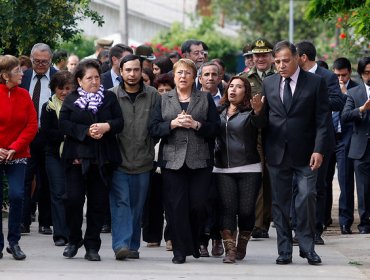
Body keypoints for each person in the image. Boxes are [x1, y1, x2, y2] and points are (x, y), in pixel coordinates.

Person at [262, 41, 329, 265]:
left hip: (306, 153)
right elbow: (264, 121)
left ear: (297, 58)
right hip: (277, 153)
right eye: (277, 61)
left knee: (307, 197)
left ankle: (307, 246)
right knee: (280, 204)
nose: (280, 65)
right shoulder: (269, 83)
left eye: (285, 60)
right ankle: (284, 250)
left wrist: (319, 149)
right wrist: (255, 112)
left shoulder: (316, 83)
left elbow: (323, 120)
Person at [149, 58, 220, 264]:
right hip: (172, 160)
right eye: (179, 73)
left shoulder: (205, 98)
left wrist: (197, 124)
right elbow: (153, 128)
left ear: (194, 77)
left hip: (200, 160)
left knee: (198, 205)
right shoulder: (164, 99)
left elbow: (215, 129)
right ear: (174, 75)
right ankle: (180, 250)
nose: (183, 77)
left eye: (187, 73)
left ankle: (196, 239)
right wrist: (172, 124)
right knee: (176, 206)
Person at [59, 59, 123, 261]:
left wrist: (106, 127)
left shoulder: (109, 98)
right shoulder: (71, 99)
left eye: (97, 77)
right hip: (76, 158)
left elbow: (120, 122)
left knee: (98, 204)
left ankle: (92, 246)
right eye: (89, 78)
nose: (94, 81)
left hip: (102, 158)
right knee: (73, 200)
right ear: (79, 80)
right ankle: (73, 239)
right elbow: (64, 124)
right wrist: (85, 131)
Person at [109, 54, 159, 261]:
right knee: (121, 203)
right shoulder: (110, 95)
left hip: (143, 160)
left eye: (136, 70)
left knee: (137, 207)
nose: (132, 74)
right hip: (118, 161)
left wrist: (150, 148)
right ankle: (121, 245)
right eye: (127, 70)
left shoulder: (153, 95)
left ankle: (132, 245)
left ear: (142, 71)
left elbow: (157, 126)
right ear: (121, 72)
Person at [296, 40, 346, 245]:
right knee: (296, 186)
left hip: (321, 139)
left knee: (318, 186)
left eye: (293, 56)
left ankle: (316, 230)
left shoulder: (327, 77)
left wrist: (313, 98)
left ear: (303, 57)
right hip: (297, 139)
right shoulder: (293, 76)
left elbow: (338, 102)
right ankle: (297, 229)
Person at [214, 76, 265, 263]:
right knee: (227, 209)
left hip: (249, 168)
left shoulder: (251, 112)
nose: (233, 90)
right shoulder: (218, 112)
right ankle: (230, 250)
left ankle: (242, 243)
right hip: (222, 169)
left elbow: (261, 124)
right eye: (231, 86)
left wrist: (259, 111)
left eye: (239, 87)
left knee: (245, 211)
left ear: (246, 92)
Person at [0, 55, 38, 260]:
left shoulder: (24, 95)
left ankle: (13, 242)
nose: (23, 73)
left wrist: (14, 147)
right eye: (18, 71)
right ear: (5, 75)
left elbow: (32, 125)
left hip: (19, 154)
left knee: (17, 195)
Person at [20, 43, 57, 235]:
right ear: (31, 58)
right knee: (25, 178)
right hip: (25, 136)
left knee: (47, 179)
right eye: (36, 61)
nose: (41, 65)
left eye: (45, 61)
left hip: (48, 135)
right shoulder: (22, 77)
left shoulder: (57, 78)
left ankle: (45, 222)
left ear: (50, 60)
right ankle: (23, 221)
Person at [240, 38, 275, 240]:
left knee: (274, 178)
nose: (261, 58)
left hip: (278, 132)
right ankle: (259, 224)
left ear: (271, 56)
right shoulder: (245, 79)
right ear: (251, 58)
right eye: (257, 55)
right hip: (255, 134)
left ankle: (269, 218)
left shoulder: (280, 76)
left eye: (264, 54)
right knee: (259, 176)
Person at [40, 70, 73, 246]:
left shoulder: (79, 105)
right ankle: (60, 234)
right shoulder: (48, 107)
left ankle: (72, 231)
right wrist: (67, 133)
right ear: (54, 89)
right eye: (61, 88)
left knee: (73, 195)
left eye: (68, 88)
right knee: (58, 194)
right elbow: (47, 133)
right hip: (54, 155)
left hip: (74, 155)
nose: (65, 92)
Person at [143, 72, 175, 250]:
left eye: (167, 89)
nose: (163, 92)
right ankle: (152, 236)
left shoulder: (178, 106)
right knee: (152, 200)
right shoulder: (153, 107)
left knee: (171, 201)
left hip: (172, 158)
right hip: (152, 158)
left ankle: (171, 236)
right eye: (160, 89)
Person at [326, 57, 358, 234]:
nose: (340, 79)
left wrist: (345, 94)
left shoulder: (356, 89)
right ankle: (324, 218)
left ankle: (346, 221)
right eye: (337, 75)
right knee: (324, 180)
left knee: (345, 180)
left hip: (346, 138)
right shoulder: (328, 87)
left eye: (343, 75)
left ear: (349, 73)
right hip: (328, 138)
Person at [342, 57, 370, 234]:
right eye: (367, 72)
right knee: (363, 189)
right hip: (361, 148)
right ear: (361, 74)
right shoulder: (354, 93)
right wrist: (362, 109)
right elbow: (345, 117)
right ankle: (365, 224)